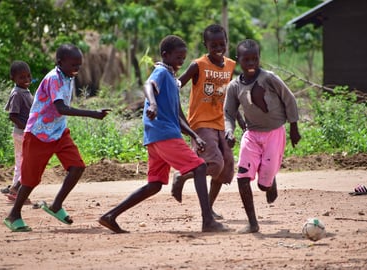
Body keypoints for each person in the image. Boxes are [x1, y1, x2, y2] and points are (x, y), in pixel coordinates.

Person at [99, 35, 228, 233]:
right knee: (200, 167)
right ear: (165, 55)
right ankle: (207, 220)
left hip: (157, 137)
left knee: (155, 184)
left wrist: (195, 135)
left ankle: (110, 216)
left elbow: (177, 115)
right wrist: (152, 103)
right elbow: (148, 85)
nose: (181, 61)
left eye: (183, 57)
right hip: (164, 134)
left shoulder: (172, 79)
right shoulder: (161, 71)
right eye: (178, 56)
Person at [4, 44, 108, 232]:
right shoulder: (54, 78)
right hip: (38, 134)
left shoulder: (68, 77)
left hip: (59, 132)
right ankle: (14, 215)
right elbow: (61, 108)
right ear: (60, 62)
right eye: (73, 64)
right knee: (30, 180)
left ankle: (56, 205)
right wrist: (93, 113)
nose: (77, 68)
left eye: (79, 65)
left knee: (77, 167)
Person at [224, 39, 301, 233]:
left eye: (254, 59)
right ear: (238, 59)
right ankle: (252, 223)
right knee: (242, 178)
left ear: (259, 58)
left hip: (274, 133)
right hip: (251, 135)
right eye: (246, 59)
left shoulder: (269, 78)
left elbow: (289, 99)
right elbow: (229, 112)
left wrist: (294, 127)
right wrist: (229, 131)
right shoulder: (234, 86)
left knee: (263, 186)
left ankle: (270, 180)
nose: (250, 64)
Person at [171, 24, 244, 220]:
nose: (218, 48)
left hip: (220, 123)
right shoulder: (198, 65)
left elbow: (230, 97)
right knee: (215, 163)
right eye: (213, 45)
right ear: (206, 45)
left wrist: (239, 121)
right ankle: (182, 175)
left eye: (222, 43)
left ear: (227, 43)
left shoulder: (230, 65)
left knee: (226, 167)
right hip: (201, 123)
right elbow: (177, 84)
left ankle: (208, 208)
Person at [0, 61, 34, 203]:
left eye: (28, 76)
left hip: (23, 133)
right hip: (22, 133)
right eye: (21, 77)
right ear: (13, 78)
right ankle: (17, 192)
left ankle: (15, 192)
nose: (26, 80)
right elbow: (12, 115)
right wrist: (27, 128)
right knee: (27, 164)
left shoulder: (24, 91)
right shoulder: (17, 94)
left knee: (21, 164)